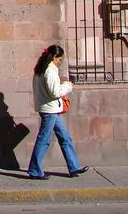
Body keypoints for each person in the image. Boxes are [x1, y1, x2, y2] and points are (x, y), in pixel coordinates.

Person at [27, 45, 88, 180]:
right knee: (44, 139)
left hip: (48, 108)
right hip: (50, 110)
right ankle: (34, 169)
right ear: (54, 57)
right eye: (59, 60)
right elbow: (55, 92)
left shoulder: (40, 69)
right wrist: (67, 86)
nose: (59, 62)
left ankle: (74, 167)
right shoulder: (50, 70)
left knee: (65, 137)